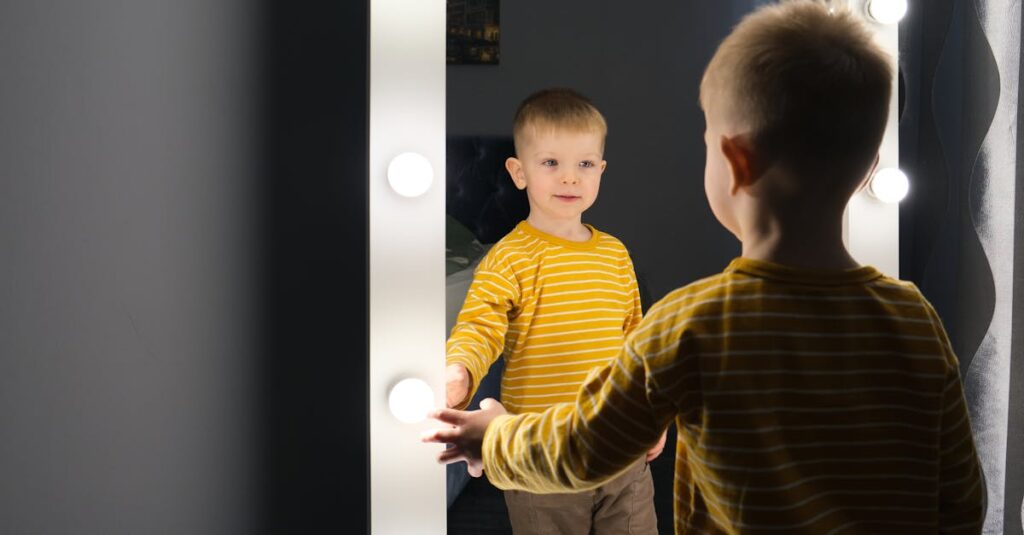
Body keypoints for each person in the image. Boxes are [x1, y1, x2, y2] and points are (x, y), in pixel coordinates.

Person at [425, 2, 987, 533]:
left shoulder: (691, 323)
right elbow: (961, 500)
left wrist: (492, 439)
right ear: (868, 171)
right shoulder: (915, 318)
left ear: (735, 162)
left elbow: (582, 448)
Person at [444, 87, 665, 533]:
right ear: (519, 172)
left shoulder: (615, 254)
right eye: (550, 163)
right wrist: (461, 368)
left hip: (619, 446)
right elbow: (480, 323)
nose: (570, 178)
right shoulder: (510, 257)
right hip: (541, 456)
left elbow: (637, 343)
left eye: (585, 164)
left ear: (601, 170)